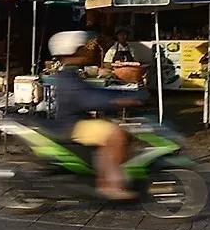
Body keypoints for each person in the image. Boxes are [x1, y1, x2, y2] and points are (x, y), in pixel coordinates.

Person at [49, 31, 143, 201]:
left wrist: (119, 96)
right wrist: (118, 101)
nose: (87, 51)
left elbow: (92, 92)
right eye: (82, 49)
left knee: (118, 130)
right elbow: (88, 99)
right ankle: (108, 185)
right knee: (116, 134)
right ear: (72, 52)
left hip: (78, 122)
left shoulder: (71, 73)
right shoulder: (68, 77)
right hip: (73, 126)